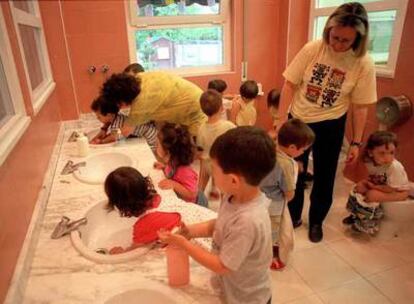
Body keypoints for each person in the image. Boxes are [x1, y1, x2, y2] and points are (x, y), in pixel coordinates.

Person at [275, 2, 377, 242]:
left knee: (325, 174)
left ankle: (317, 220)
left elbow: (360, 106)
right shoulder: (313, 49)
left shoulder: (364, 63)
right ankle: (293, 215)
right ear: (328, 30)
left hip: (331, 124)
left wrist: (356, 142)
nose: (338, 44)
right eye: (334, 37)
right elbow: (289, 84)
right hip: (299, 120)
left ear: (358, 39)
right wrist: (280, 120)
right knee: (293, 170)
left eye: (345, 41)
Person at [158, 127, 275, 304]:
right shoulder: (232, 195)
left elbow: (222, 266)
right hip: (230, 287)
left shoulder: (247, 221)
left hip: (247, 298)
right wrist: (190, 232)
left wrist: (184, 245)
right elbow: (220, 224)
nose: (210, 173)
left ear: (234, 180)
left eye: (214, 169)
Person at [260, 119, 315, 270]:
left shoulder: (268, 150)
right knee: (274, 231)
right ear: (292, 147)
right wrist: (289, 198)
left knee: (261, 225)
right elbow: (289, 191)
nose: (303, 152)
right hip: (275, 204)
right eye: (303, 150)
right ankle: (270, 256)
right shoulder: (286, 164)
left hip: (259, 198)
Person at [343, 131, 410, 235]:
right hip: (382, 185)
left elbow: (391, 188)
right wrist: (368, 184)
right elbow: (376, 176)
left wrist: (373, 187)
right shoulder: (368, 161)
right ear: (370, 153)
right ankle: (356, 214)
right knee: (359, 187)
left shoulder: (394, 167)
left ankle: (368, 222)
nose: (388, 158)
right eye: (382, 153)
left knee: (371, 195)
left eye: (391, 153)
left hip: (400, 192)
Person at [100, 72, 206, 137]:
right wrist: (104, 128)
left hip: (196, 109)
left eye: (118, 103)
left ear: (122, 99)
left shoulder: (141, 105)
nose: (119, 106)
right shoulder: (139, 78)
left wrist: (107, 138)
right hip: (192, 96)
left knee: (191, 150)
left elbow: (125, 131)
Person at [104, 167, 181, 254]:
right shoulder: (157, 196)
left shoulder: (144, 225)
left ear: (122, 205)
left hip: (193, 244)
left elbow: (135, 250)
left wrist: (121, 252)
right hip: (196, 220)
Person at [155, 123, 207, 206]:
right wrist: (164, 167)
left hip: (193, 205)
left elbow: (192, 194)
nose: (156, 146)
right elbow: (173, 174)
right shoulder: (173, 162)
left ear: (168, 152)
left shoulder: (184, 171)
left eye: (158, 144)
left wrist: (174, 184)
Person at [197, 90, 236, 200]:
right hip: (223, 167)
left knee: (201, 187)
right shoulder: (229, 126)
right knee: (226, 191)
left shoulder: (201, 129)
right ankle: (225, 206)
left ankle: (198, 200)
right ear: (222, 108)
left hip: (208, 165)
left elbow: (200, 150)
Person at [90, 96, 157, 153]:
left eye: (99, 117)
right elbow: (110, 127)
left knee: (152, 152)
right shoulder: (117, 115)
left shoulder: (116, 124)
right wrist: (102, 132)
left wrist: (101, 142)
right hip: (150, 129)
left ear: (109, 115)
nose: (97, 119)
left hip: (150, 135)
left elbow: (113, 137)